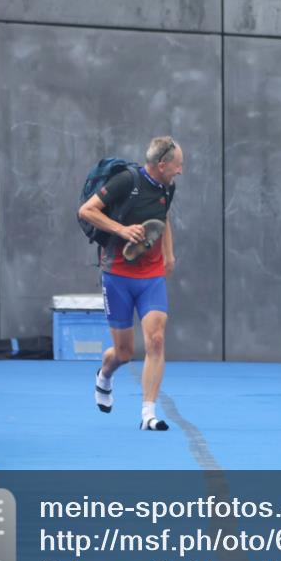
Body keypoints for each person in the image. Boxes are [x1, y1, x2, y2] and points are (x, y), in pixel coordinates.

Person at [78, 136, 182, 431]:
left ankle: (148, 413)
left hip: (151, 276)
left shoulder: (168, 187)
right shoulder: (127, 181)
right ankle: (105, 376)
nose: (180, 170)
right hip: (117, 276)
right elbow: (86, 211)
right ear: (162, 165)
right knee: (123, 353)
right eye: (178, 165)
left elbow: (164, 217)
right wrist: (122, 230)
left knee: (157, 339)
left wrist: (169, 253)